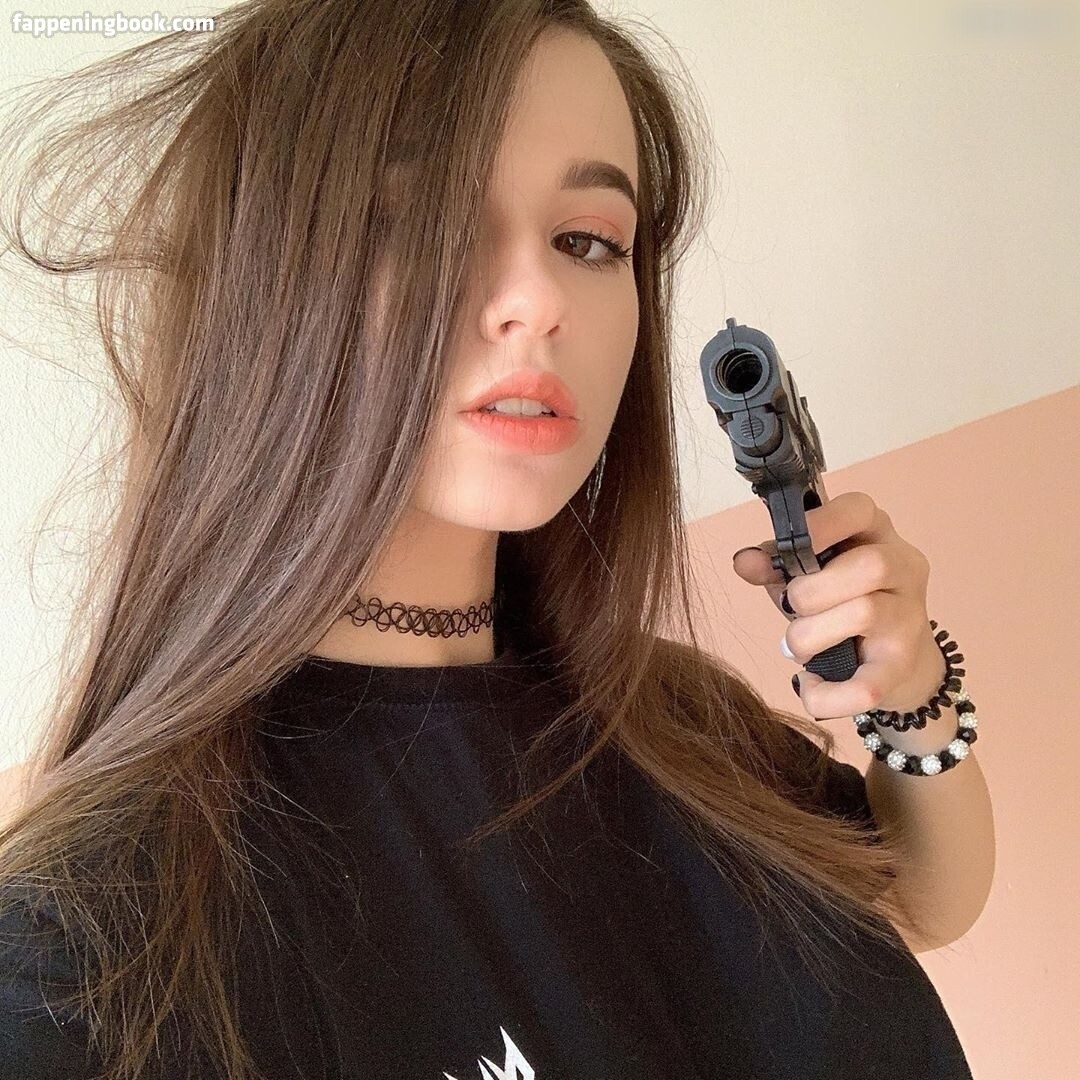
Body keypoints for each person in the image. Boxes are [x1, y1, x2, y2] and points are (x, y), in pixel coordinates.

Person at [0, 2, 973, 1078]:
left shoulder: (677, 716)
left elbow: (923, 897)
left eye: (587, 241)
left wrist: (912, 695)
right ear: (263, 284)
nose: (538, 300)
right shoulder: (87, 955)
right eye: (426, 224)